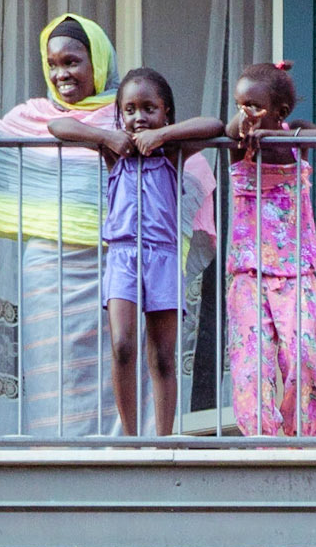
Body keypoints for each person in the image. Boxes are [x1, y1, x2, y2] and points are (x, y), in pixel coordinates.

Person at [49, 66, 225, 438]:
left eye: (149, 108)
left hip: (163, 258)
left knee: (162, 355)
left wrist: (163, 135)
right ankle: (130, 440)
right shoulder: (117, 152)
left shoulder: (172, 152)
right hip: (123, 256)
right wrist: (106, 136)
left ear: (166, 112)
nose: (139, 117)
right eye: (129, 110)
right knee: (123, 345)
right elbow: (58, 126)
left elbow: (214, 125)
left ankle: (163, 441)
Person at [224, 60, 316, 439]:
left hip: (296, 273)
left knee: (302, 353)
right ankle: (262, 441)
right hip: (248, 273)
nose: (245, 114)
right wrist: (241, 123)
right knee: (251, 364)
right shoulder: (237, 144)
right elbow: (225, 128)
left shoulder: (295, 134)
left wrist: (287, 136)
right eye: (239, 105)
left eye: (254, 107)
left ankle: (298, 437)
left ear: (280, 112)